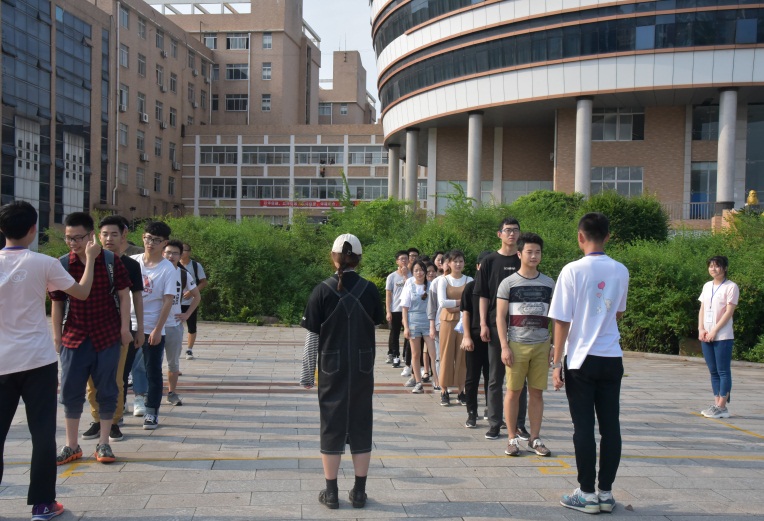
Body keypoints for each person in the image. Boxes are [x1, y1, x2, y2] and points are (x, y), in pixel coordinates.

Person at [0, 201, 98, 521]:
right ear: (33, 229)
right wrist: (91, 259)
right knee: (42, 432)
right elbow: (81, 293)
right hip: (36, 360)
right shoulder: (44, 263)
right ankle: (42, 505)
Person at [549, 212, 629, 515]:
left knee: (583, 426)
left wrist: (557, 363)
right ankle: (605, 493)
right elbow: (618, 312)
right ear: (608, 236)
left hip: (581, 360)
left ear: (580, 236)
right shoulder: (621, 270)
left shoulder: (572, 270)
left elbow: (561, 320)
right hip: (611, 357)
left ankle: (586, 493)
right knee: (610, 427)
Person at [300, 234, 384, 509]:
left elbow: (312, 337)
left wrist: (306, 374)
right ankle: (359, 492)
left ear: (333, 257)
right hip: (362, 367)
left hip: (330, 368)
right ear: (359, 259)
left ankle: (331, 493)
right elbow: (375, 324)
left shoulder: (321, 290)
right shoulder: (370, 289)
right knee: (361, 424)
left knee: (331, 425)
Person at [50, 213, 132, 467]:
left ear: (90, 235)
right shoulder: (63, 264)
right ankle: (71, 445)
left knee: (107, 389)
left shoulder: (110, 261)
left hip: (106, 335)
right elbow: (57, 303)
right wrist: (56, 336)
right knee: (70, 391)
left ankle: (104, 442)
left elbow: (124, 295)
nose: (73, 243)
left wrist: (125, 328)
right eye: (68, 238)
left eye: (78, 238)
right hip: (74, 336)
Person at [80, 216, 144, 444]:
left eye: (114, 234)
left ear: (123, 235)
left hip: (118, 330)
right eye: (105, 234)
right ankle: (97, 419)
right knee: (91, 382)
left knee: (116, 379)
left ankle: (114, 422)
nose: (109, 239)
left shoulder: (130, 265)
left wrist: (139, 329)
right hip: (89, 330)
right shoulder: (88, 261)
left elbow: (137, 298)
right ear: (98, 236)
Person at [496, 233, 554, 457]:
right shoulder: (508, 283)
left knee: (537, 393)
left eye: (537, 252)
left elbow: (556, 317)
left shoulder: (549, 283)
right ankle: (512, 439)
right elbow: (500, 317)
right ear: (519, 254)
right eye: (529, 252)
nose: (534, 256)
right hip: (517, 344)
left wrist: (553, 345)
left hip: (541, 345)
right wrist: (504, 346)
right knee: (513, 391)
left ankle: (534, 438)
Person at [476, 218, 529, 440]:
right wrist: (482, 323)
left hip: (521, 326)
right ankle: (495, 423)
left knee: (520, 378)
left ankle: (519, 424)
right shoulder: (489, 261)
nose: (512, 234)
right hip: (495, 324)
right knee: (495, 377)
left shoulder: (524, 258)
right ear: (499, 234)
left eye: (515, 230)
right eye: (507, 230)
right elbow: (482, 295)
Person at [131, 221, 177, 430]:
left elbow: (168, 301)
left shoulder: (168, 269)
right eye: (148, 238)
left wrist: (158, 330)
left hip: (153, 327)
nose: (150, 243)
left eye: (156, 240)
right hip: (129, 324)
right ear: (143, 237)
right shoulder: (133, 262)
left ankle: (151, 412)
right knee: (122, 371)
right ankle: (116, 413)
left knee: (153, 371)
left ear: (164, 243)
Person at [698, 255, 739, 419]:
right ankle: (716, 404)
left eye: (717, 266)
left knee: (723, 371)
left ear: (725, 268)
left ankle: (722, 406)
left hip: (722, 335)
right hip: (706, 334)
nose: (713, 269)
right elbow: (702, 308)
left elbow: (729, 312)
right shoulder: (707, 286)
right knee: (713, 371)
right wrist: (701, 328)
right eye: (711, 266)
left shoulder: (731, 287)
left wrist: (714, 330)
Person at [162, 240, 201, 405]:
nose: (171, 256)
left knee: (173, 363)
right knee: (150, 363)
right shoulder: (153, 270)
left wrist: (187, 314)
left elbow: (197, 296)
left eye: (175, 253)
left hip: (173, 324)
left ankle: (171, 393)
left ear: (181, 255)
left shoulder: (183, 274)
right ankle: (148, 394)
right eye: (168, 252)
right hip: (152, 325)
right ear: (162, 253)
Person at [460, 250, 492, 428]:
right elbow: (466, 313)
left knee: (491, 377)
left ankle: (491, 410)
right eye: (484, 265)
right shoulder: (470, 287)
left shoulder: (496, 286)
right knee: (472, 377)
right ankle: (471, 412)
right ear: (478, 266)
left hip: (493, 338)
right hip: (473, 336)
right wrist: (466, 336)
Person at [437, 250, 472, 406]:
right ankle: (444, 390)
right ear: (449, 263)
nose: (458, 264)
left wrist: (455, 305)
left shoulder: (469, 280)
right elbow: (442, 303)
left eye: (461, 261)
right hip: (447, 321)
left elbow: (472, 301)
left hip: (465, 321)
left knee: (463, 356)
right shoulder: (443, 280)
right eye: (455, 261)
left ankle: (461, 391)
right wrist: (461, 303)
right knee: (446, 354)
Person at [401, 260, 437, 394]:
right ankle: (418, 382)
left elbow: (436, 306)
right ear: (413, 272)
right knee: (415, 354)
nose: (419, 273)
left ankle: (437, 380)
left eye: (421, 270)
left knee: (433, 353)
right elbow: (404, 308)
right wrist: (406, 327)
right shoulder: (409, 285)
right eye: (416, 270)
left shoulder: (431, 285)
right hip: (413, 322)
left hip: (428, 321)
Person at [179, 242, 207, 360]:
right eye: (180, 250)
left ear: (189, 252)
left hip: (190, 302)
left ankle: (189, 350)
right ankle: (175, 348)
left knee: (191, 326)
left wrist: (192, 292)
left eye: (184, 250)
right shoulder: (171, 264)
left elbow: (203, 282)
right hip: (175, 302)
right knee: (174, 326)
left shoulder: (195, 266)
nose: (181, 252)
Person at [385, 250, 410, 368]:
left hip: (409, 309)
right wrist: (388, 311)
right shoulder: (392, 277)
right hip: (396, 309)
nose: (404, 261)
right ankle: (395, 356)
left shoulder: (412, 275)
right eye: (402, 259)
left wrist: (405, 276)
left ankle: (406, 355)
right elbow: (388, 295)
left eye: (406, 258)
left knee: (408, 333)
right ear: (397, 261)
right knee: (395, 333)